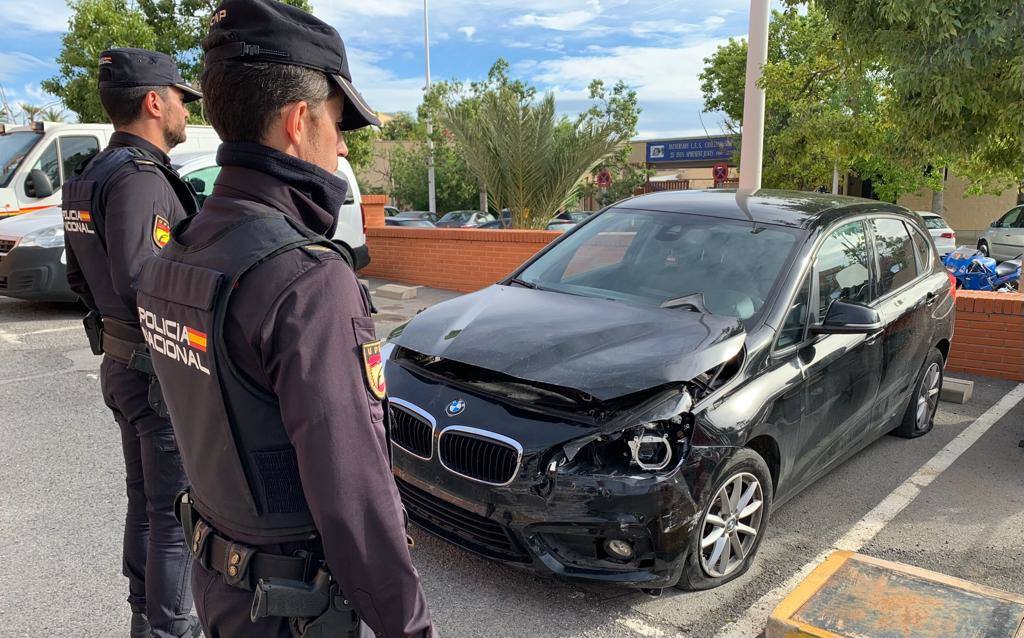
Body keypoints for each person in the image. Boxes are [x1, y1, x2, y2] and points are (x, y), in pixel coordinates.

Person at [134, 1, 435, 636]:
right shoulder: (305, 278)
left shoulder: (182, 249)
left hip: (221, 585)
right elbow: (356, 500)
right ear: (299, 122)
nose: (342, 143)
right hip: (292, 610)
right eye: (336, 122)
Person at [62, 48, 202, 638]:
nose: (185, 111)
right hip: (154, 372)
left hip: (121, 364)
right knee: (173, 516)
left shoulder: (91, 174)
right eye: (179, 97)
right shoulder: (141, 179)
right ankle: (172, 628)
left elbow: (78, 275)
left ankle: (145, 617)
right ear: (153, 102)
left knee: (145, 501)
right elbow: (147, 282)